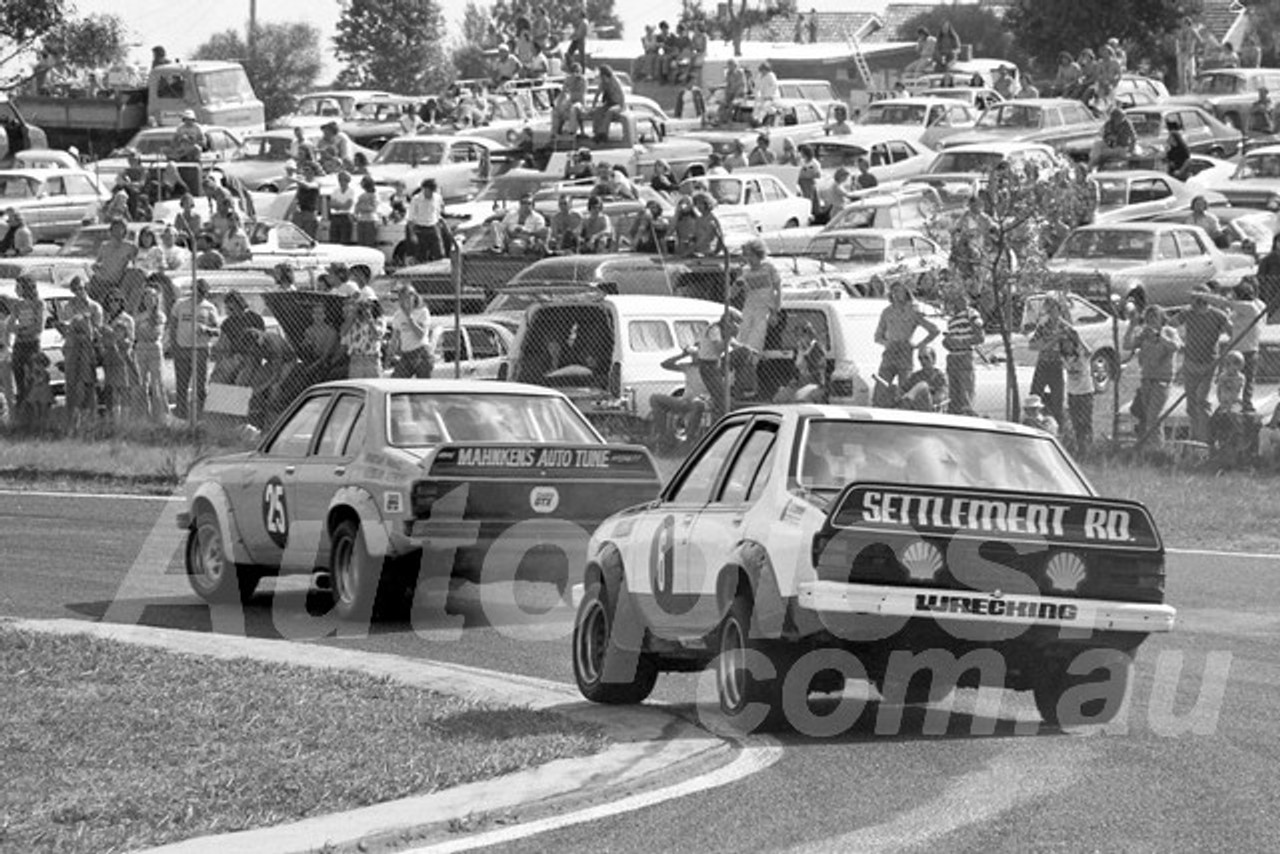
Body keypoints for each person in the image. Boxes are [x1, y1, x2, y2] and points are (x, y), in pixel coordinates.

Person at [1203, 278, 1267, 413]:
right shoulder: (1240, 309)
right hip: (1235, 349)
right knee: (1229, 379)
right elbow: (1230, 317)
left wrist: (1204, 296)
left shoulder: (1251, 306)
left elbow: (1227, 303)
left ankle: (1246, 404)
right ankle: (1228, 404)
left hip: (1248, 350)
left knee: (1247, 380)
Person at [1177, 286, 1232, 443]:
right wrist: (1179, 343)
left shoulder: (1217, 315)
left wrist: (1225, 352)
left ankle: (1206, 439)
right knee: (1191, 403)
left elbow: (1232, 332)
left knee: (1202, 400)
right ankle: (1195, 437)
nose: (1191, 302)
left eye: (1194, 298)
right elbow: (1171, 324)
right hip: (1190, 362)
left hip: (1208, 363)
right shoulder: (1188, 313)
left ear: (1202, 299)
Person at [873, 281, 939, 408]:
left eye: (899, 291)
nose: (896, 294)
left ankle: (904, 413)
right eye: (893, 291)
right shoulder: (887, 312)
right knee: (881, 387)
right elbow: (877, 337)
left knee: (905, 388)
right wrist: (887, 343)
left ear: (906, 292)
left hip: (905, 352)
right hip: (890, 352)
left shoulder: (913, 311)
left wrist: (919, 345)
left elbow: (934, 330)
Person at [1125, 304, 1182, 447]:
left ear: (1161, 318)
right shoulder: (1145, 333)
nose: (1151, 320)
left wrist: (1158, 335)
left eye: (1154, 316)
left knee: (1154, 417)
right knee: (1146, 417)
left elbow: (1175, 347)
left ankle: (1157, 449)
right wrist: (1131, 327)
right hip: (1146, 379)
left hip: (1162, 380)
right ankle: (1148, 448)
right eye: (1148, 317)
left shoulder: (1169, 331)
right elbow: (1127, 345)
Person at [732, 238, 782, 398]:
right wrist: (737, 284)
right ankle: (738, 380)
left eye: (749, 254)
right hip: (749, 308)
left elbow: (777, 289)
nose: (747, 258)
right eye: (745, 255)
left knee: (754, 344)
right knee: (740, 342)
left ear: (757, 254)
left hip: (763, 309)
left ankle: (748, 383)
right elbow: (731, 294)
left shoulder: (769, 268)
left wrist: (775, 310)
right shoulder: (745, 271)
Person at [170, 279, 221, 420]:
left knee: (200, 386)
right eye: (198, 291)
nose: (200, 295)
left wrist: (207, 329)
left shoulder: (209, 308)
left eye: (203, 292)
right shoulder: (180, 305)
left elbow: (217, 330)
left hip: (200, 350)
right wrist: (175, 345)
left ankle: (200, 416)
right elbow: (173, 326)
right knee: (182, 384)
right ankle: (181, 415)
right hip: (183, 348)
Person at [649, 345, 709, 452]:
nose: (694, 357)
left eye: (697, 354)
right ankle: (664, 437)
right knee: (655, 398)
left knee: (697, 403)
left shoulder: (710, 368)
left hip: (701, 402)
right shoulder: (688, 367)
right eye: (693, 355)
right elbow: (665, 364)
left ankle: (689, 440)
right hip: (684, 401)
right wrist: (682, 355)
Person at [1028, 296, 1071, 429]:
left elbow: (1069, 347)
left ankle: (1059, 428)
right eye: (1049, 310)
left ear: (1059, 310)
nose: (1051, 313)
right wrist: (1049, 342)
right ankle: (1033, 423)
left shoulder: (1065, 327)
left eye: (1053, 309)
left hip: (1056, 365)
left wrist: (1050, 343)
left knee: (1057, 400)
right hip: (1043, 363)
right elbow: (1032, 345)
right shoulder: (1043, 326)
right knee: (1035, 395)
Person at [941, 286, 983, 416]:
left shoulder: (971, 314)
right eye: (956, 299)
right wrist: (948, 342)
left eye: (962, 298)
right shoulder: (952, 320)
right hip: (953, 357)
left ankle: (967, 414)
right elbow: (951, 339)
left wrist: (961, 342)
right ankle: (954, 415)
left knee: (965, 392)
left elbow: (979, 337)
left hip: (964, 355)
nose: (958, 302)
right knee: (953, 393)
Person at [7, 276, 44, 422]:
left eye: (19, 286)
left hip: (32, 345)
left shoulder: (38, 304)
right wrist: (21, 329)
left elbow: (38, 327)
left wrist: (21, 330)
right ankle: (22, 418)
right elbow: (10, 325)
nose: (17, 290)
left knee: (32, 381)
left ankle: (35, 418)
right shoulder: (17, 305)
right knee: (20, 381)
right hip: (19, 346)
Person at [132, 284, 168, 420]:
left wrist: (143, 330)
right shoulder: (138, 316)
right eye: (146, 296)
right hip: (141, 348)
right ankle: (143, 415)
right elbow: (136, 333)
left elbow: (155, 333)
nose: (149, 299)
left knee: (157, 382)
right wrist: (143, 331)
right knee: (141, 383)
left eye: (152, 297)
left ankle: (160, 415)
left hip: (154, 349)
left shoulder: (160, 316)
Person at [99, 293, 136, 421]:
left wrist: (113, 335)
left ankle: (125, 421)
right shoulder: (107, 319)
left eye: (116, 300)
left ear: (121, 302)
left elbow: (129, 340)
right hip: (109, 357)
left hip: (122, 357)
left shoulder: (127, 319)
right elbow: (103, 340)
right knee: (112, 390)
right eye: (110, 301)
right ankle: (115, 420)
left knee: (123, 389)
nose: (113, 303)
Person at [1061, 328, 1095, 457]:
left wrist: (1078, 338)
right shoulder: (1064, 358)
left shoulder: (1082, 355)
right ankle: (1080, 449)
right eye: (1064, 343)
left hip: (1085, 392)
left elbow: (1089, 351)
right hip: (1072, 393)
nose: (1066, 345)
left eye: (1069, 342)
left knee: (1086, 422)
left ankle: (1089, 449)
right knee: (1076, 423)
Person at [389, 286, 433, 378]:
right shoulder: (398, 314)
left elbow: (420, 335)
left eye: (408, 297)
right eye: (402, 298)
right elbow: (395, 337)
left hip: (421, 353)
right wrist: (390, 355)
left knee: (423, 386)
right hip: (406, 354)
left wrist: (409, 317)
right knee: (396, 381)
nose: (405, 301)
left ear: (414, 298)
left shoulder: (423, 312)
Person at [341, 289, 384, 379]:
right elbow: (343, 332)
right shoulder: (353, 319)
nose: (365, 307)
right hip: (356, 358)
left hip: (372, 359)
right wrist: (353, 313)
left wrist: (370, 320)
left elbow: (377, 336)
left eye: (369, 305)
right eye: (362, 305)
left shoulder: (379, 319)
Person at [408, 177, 445, 262]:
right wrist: (412, 235)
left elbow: (438, 212)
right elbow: (411, 219)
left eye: (432, 191)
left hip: (433, 227)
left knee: (439, 253)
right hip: (421, 229)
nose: (430, 194)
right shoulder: (416, 199)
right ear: (424, 189)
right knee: (421, 256)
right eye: (429, 191)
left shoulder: (437, 198)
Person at [899, 347, 947, 411]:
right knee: (892, 388)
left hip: (929, 406)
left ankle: (906, 402)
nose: (923, 361)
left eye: (926, 358)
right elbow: (903, 390)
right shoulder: (916, 376)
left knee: (923, 385)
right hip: (914, 405)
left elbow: (940, 397)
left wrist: (925, 392)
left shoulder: (939, 376)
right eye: (920, 358)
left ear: (934, 359)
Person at [591, 64, 627, 142]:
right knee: (598, 111)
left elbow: (621, 96)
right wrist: (593, 107)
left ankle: (603, 133)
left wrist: (621, 107)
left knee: (610, 112)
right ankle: (596, 133)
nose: (602, 78)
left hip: (618, 104)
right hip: (609, 103)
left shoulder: (615, 82)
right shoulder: (603, 83)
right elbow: (597, 95)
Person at [552, 62, 588, 137]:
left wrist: (570, 100)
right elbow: (563, 92)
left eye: (577, 71)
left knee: (573, 109)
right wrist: (558, 104)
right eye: (574, 71)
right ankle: (555, 132)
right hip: (570, 101)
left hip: (580, 103)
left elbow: (581, 94)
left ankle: (572, 132)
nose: (576, 73)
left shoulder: (583, 80)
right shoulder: (568, 79)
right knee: (557, 110)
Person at [689, 192, 723, 256]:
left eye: (701, 203)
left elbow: (721, 238)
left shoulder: (713, 219)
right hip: (699, 253)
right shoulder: (699, 219)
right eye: (697, 204)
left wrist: (715, 252)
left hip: (710, 253)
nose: (698, 206)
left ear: (707, 203)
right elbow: (697, 237)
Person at [327, 170, 356, 245]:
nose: (341, 181)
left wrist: (338, 205)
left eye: (343, 179)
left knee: (344, 241)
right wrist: (341, 205)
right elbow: (331, 204)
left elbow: (347, 206)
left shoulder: (351, 191)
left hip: (346, 217)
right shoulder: (335, 191)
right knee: (333, 241)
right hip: (335, 217)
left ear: (348, 180)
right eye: (339, 179)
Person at [354, 175, 380, 249]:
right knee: (361, 244)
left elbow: (373, 208)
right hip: (361, 220)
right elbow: (356, 208)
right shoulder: (361, 196)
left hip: (371, 220)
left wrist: (362, 207)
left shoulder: (374, 195)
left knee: (369, 244)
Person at [720, 58, 746, 125]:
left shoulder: (740, 73)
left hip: (739, 95)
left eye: (730, 66)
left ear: (735, 65)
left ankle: (729, 120)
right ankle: (721, 119)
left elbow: (741, 86)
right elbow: (728, 85)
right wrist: (726, 96)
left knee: (732, 104)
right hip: (730, 94)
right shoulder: (728, 74)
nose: (729, 68)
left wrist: (735, 95)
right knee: (722, 104)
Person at [753, 62, 780, 126]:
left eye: (764, 70)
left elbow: (774, 86)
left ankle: (759, 121)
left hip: (773, 96)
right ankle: (754, 119)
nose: (763, 72)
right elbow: (756, 87)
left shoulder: (771, 75)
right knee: (757, 106)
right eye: (762, 70)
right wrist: (757, 95)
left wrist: (769, 95)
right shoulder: (759, 76)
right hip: (763, 96)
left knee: (765, 107)